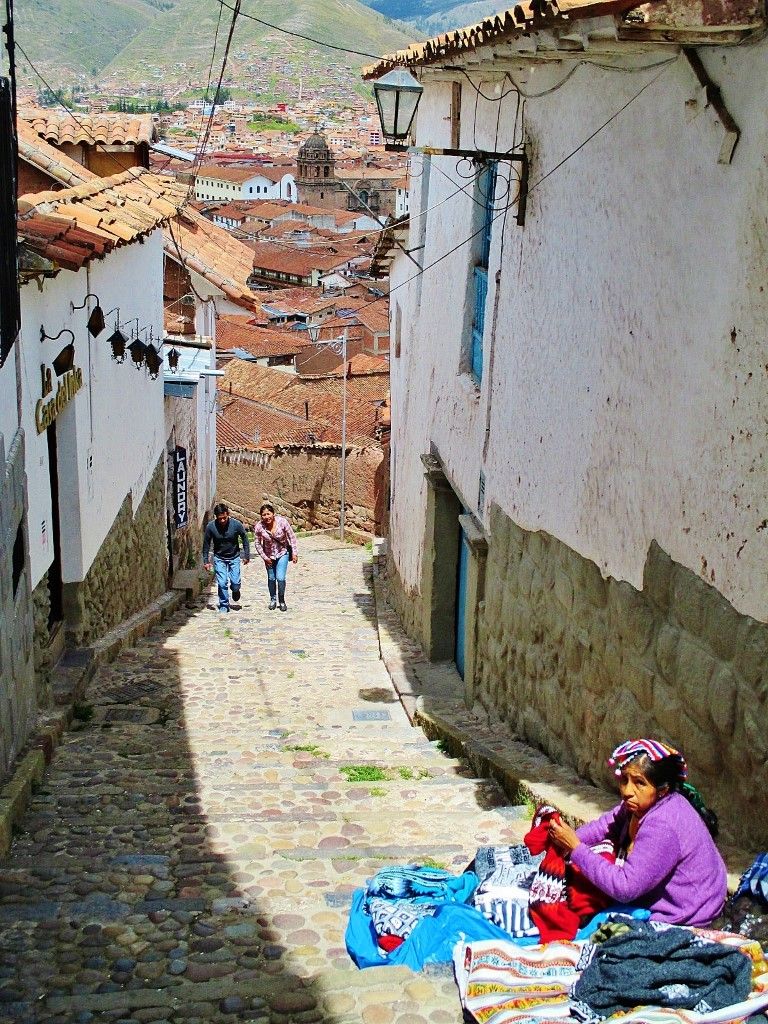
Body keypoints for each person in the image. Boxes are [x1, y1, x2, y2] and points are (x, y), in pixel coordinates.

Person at [547, 738, 727, 927]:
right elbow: (605, 825)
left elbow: (625, 888)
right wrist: (564, 839)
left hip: (688, 912)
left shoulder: (662, 824)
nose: (627, 791)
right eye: (625, 780)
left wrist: (576, 848)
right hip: (687, 902)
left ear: (662, 790)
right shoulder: (639, 805)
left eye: (639, 783)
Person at [203, 503, 250, 613]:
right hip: (219, 558)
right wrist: (206, 560)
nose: (223, 521)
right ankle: (224, 604)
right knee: (222, 582)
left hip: (234, 557)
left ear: (228, 514)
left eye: (224, 518)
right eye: (220, 519)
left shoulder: (236, 525)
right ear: (216, 517)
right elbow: (206, 544)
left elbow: (244, 538)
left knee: (235, 582)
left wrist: (246, 555)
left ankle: (235, 589)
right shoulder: (211, 527)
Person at [252, 503, 298, 611]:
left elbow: (292, 537)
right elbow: (257, 543)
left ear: (273, 514)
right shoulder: (259, 527)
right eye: (264, 515)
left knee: (280, 578)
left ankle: (281, 600)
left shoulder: (282, 522)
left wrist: (295, 553)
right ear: (261, 516)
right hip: (268, 556)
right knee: (271, 578)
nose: (266, 517)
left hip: (282, 553)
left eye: (268, 514)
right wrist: (264, 557)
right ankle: (273, 599)